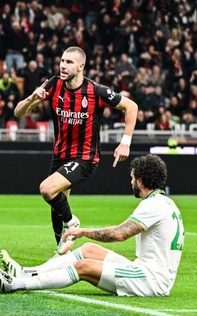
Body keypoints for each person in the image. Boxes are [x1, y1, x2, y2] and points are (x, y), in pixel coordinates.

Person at [0, 154, 183, 296]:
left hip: (150, 280)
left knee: (83, 266)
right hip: (148, 271)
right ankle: (27, 272)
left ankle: (17, 283)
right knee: (89, 250)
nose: (131, 181)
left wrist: (83, 231)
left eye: (132, 177)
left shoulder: (152, 205)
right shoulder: (166, 203)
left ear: (140, 181)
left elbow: (119, 234)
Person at [14, 46, 138, 254]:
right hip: (60, 155)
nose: (63, 65)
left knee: (47, 189)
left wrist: (125, 141)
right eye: (62, 61)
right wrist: (33, 98)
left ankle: (72, 224)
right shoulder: (53, 85)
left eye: (69, 62)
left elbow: (131, 106)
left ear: (81, 66)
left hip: (85, 157)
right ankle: (62, 251)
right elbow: (18, 112)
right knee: (57, 203)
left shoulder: (96, 91)